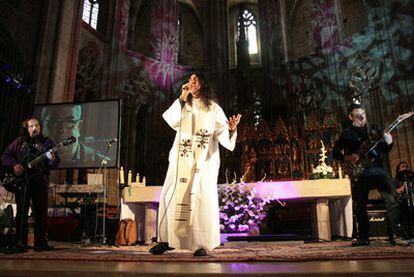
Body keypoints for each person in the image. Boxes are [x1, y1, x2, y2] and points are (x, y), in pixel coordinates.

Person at [150, 72, 241, 256]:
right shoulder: (184, 104)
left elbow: (224, 135)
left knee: (200, 199)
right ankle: (167, 240)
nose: (190, 82)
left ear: (203, 84)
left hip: (203, 164)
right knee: (172, 196)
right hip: (181, 160)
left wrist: (231, 129)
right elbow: (171, 120)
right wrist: (182, 98)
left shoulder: (213, 108)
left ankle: (202, 243)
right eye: (189, 80)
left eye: (194, 80)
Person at [332, 103, 408, 246]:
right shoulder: (347, 133)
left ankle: (394, 236)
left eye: (363, 114)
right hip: (360, 172)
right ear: (350, 117)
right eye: (358, 115)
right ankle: (363, 238)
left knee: (392, 199)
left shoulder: (374, 129)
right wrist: (347, 157)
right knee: (360, 204)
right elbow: (335, 152)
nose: (362, 117)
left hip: (378, 169)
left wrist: (389, 141)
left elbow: (385, 149)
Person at [1, 117, 60, 252]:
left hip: (40, 182)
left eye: (37, 125)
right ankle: (20, 242)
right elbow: (5, 156)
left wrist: (52, 158)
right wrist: (14, 164)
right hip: (23, 182)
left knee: (40, 213)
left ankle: (40, 243)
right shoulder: (20, 142)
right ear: (26, 129)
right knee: (22, 212)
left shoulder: (47, 143)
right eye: (31, 126)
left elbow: (55, 163)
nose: (35, 128)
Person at [40, 105, 109, 167]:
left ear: (79, 127)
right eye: (54, 122)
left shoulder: (102, 162)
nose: (62, 129)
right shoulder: (37, 160)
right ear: (43, 127)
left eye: (70, 122)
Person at [394, 161, 414, 238]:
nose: (405, 168)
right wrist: (400, 189)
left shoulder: (412, 179)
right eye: (403, 167)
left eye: (406, 166)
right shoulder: (396, 180)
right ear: (398, 170)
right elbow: (392, 191)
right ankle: (406, 234)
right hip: (402, 202)